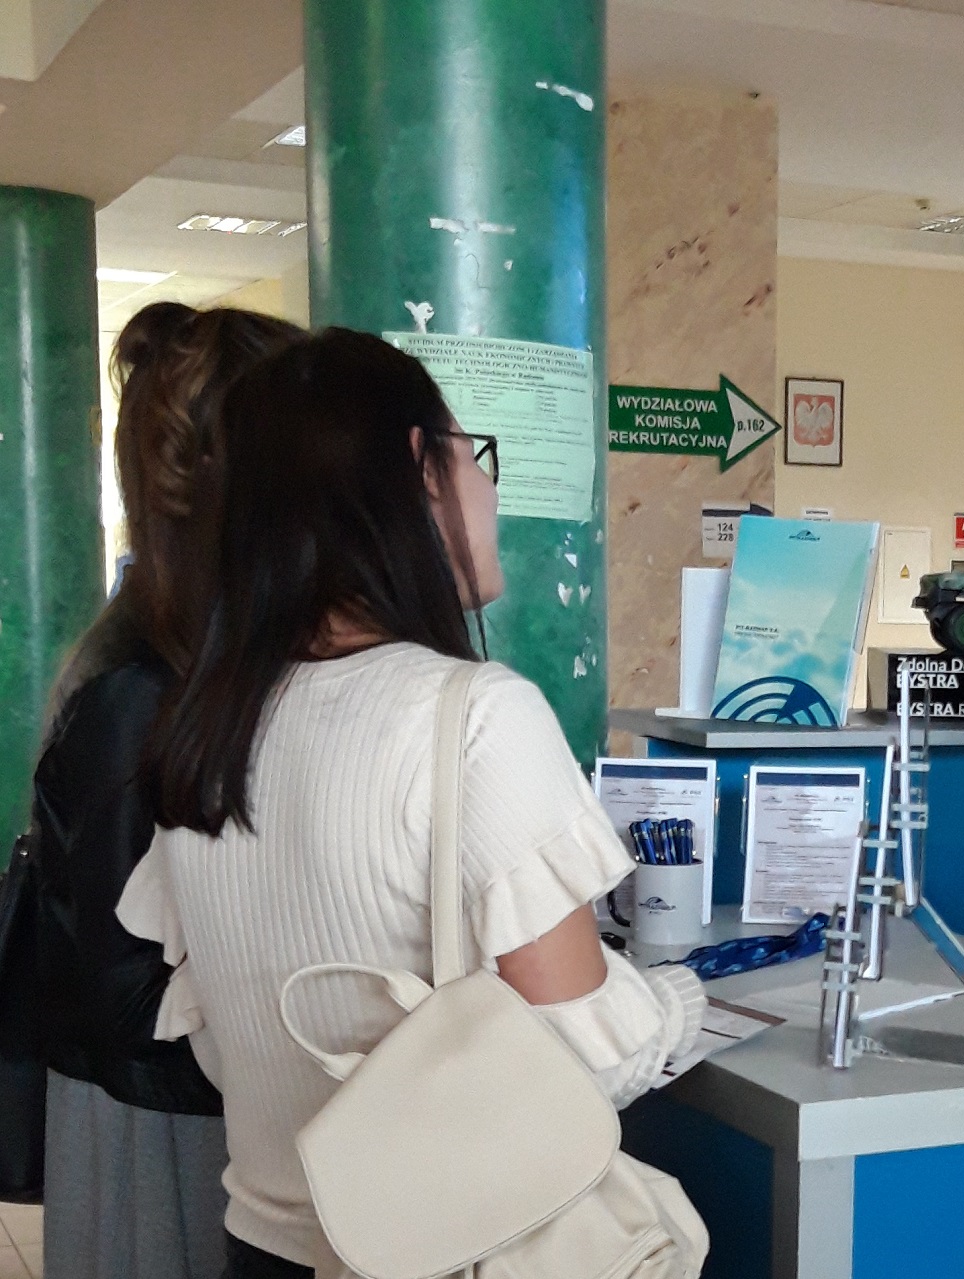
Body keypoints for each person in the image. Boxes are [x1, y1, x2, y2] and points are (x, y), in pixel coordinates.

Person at [120, 329, 706, 1279]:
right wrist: (678, 1001)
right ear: (420, 469)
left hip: (260, 1246)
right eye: (476, 457)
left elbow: (229, 1047)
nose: (491, 491)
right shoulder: (475, 716)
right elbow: (588, 1060)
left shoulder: (209, 728)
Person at [31, 302, 304, 1279]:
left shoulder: (218, 664)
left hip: (223, 1108)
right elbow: (127, 1004)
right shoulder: (135, 692)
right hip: (163, 1127)